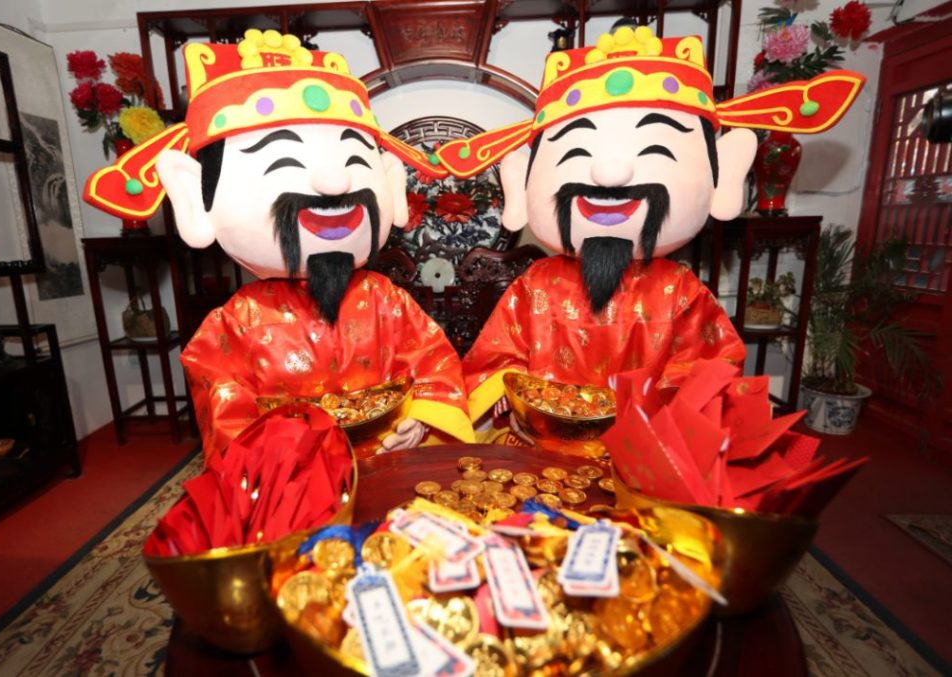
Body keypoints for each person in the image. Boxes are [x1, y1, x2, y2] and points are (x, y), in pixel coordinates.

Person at [435, 26, 864, 431]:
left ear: (725, 177)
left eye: (655, 149)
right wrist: (508, 390)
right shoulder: (536, 283)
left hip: (643, 438)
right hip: (546, 435)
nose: (610, 174)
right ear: (520, 182)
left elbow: (712, 362)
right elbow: (499, 353)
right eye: (578, 153)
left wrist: (663, 404)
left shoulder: (681, 290)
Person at [84, 31, 474, 462]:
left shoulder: (387, 300)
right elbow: (222, 403)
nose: (334, 184)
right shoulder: (235, 323)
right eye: (283, 163)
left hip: (385, 457)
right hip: (290, 476)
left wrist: (420, 418)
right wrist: (274, 450)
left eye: (354, 162)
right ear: (195, 201)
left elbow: (435, 364)